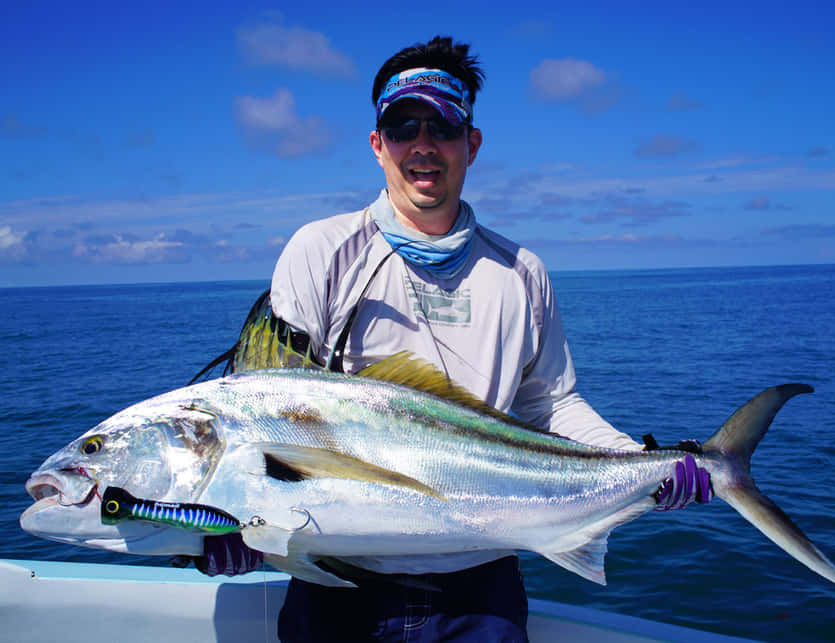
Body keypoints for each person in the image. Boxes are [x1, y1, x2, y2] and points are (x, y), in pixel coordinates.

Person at [198, 36, 713, 642]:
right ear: (377, 144)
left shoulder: (522, 272)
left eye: (441, 127)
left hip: (482, 582)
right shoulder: (321, 251)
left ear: (470, 144)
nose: (422, 145)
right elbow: (264, 412)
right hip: (341, 581)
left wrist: (641, 464)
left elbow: (552, 404)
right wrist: (221, 520)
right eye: (402, 126)